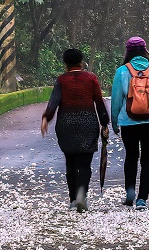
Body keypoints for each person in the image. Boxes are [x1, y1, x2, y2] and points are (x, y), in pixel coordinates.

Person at [41, 48, 108, 212]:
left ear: (66, 63)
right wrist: (104, 123)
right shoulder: (91, 78)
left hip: (66, 125)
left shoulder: (62, 80)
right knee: (84, 164)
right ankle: (81, 196)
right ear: (81, 62)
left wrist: (46, 118)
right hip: (88, 124)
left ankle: (73, 200)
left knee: (70, 163)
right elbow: (99, 102)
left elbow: (54, 102)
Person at [110, 36, 149, 210]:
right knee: (147, 160)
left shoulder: (122, 71)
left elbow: (116, 101)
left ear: (127, 51)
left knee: (131, 157)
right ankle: (142, 199)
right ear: (145, 51)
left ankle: (130, 193)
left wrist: (115, 123)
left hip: (128, 122)